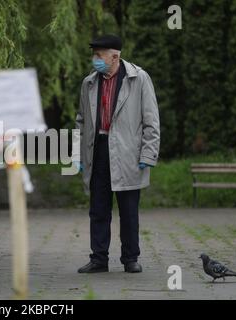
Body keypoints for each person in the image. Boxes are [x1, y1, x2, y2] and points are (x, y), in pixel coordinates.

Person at [72, 35, 160, 273]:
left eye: (99, 55)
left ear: (115, 56)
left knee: (128, 210)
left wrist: (148, 155)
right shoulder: (89, 83)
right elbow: (80, 121)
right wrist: (76, 155)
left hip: (128, 152)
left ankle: (130, 258)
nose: (95, 59)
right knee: (98, 209)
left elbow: (151, 121)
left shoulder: (139, 78)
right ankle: (99, 259)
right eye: (94, 54)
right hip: (97, 150)